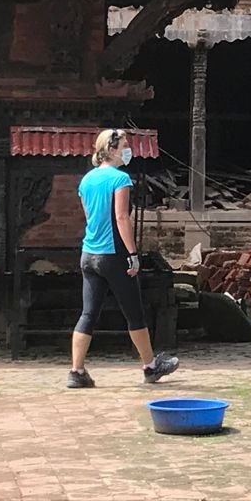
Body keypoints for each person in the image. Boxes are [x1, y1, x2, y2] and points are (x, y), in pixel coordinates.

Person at [67, 128, 180, 388]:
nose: (129, 149)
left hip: (89, 254)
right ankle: (151, 366)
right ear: (113, 149)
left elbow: (89, 217)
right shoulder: (120, 180)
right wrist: (132, 253)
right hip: (113, 254)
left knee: (88, 313)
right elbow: (121, 218)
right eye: (126, 145)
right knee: (134, 313)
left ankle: (76, 371)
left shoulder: (86, 181)